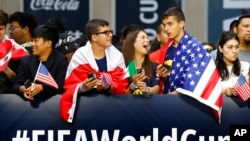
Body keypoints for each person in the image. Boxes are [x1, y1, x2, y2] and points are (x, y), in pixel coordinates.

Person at [60, 19, 128, 123]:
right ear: (94, 37)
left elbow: (122, 85)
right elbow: (69, 86)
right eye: (106, 33)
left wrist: (109, 86)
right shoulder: (80, 56)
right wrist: (83, 87)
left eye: (110, 32)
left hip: (113, 112)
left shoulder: (117, 56)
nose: (110, 35)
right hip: (84, 112)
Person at [157, 7, 221, 95]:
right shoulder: (167, 48)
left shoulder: (194, 47)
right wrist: (163, 76)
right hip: (169, 102)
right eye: (164, 25)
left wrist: (175, 93)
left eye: (170, 24)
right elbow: (169, 80)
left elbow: (196, 81)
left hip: (187, 104)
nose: (166, 29)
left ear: (181, 24)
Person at [12, 25, 68, 103]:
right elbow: (15, 86)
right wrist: (23, 89)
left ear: (48, 43)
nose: (32, 44)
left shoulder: (61, 60)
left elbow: (59, 86)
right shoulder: (25, 61)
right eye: (32, 41)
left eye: (36, 41)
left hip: (53, 105)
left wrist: (41, 87)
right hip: (27, 105)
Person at [122, 28, 159, 95]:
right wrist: (134, 84)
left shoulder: (153, 65)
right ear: (133, 43)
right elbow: (121, 95)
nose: (147, 40)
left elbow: (157, 88)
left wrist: (147, 89)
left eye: (147, 38)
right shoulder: (124, 66)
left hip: (148, 104)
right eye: (143, 37)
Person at [0, 9, 28, 93]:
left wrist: (6, 70)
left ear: (5, 29)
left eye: (0, 29)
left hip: (6, 99)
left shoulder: (17, 50)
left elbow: (24, 82)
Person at [215, 31, 249, 96]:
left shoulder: (246, 66)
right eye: (230, 47)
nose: (234, 51)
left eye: (237, 47)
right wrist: (224, 91)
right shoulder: (212, 69)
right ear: (220, 48)